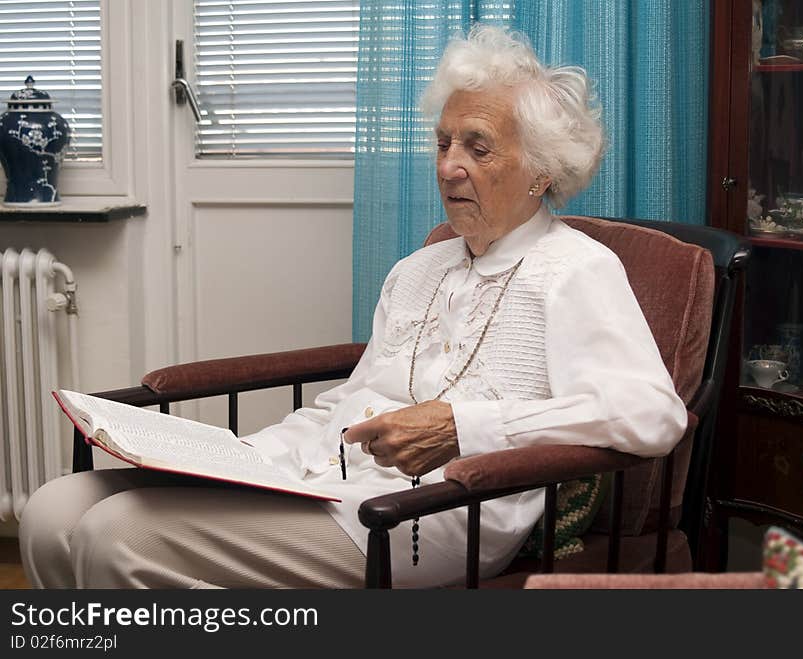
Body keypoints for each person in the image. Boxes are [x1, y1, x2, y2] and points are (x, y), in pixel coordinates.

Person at [19, 24, 687, 589]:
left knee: (117, 533)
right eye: (443, 141)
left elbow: (651, 414)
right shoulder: (417, 269)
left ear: (543, 171)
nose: (448, 165)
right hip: (325, 480)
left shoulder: (576, 270)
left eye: (477, 147)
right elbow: (355, 399)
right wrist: (250, 457)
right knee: (52, 508)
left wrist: (468, 426)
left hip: (435, 512)